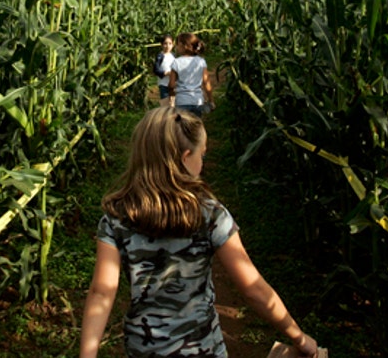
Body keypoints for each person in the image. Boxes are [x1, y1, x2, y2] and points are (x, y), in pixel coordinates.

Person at [79, 107, 318, 358]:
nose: (202, 162)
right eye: (201, 155)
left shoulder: (116, 218)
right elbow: (253, 288)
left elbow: (102, 292)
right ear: (185, 157)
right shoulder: (210, 215)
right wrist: (298, 337)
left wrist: (87, 355)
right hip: (203, 349)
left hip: (144, 349)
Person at [168, 33, 214, 116]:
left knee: (181, 127)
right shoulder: (201, 62)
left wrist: (172, 97)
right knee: (196, 127)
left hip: (182, 101)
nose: (176, 47)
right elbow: (206, 83)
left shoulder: (176, 62)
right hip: (197, 101)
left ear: (184, 45)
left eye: (177, 44)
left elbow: (171, 85)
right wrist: (211, 101)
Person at [155, 34, 176, 107]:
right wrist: (166, 73)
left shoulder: (173, 55)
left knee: (173, 104)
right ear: (161, 45)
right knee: (165, 105)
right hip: (163, 84)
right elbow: (156, 70)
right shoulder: (160, 56)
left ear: (173, 44)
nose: (167, 46)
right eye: (165, 44)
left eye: (170, 43)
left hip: (173, 84)